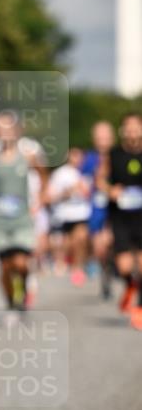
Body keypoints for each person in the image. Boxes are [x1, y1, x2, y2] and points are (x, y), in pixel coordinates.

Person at [0, 112, 47, 315]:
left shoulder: (29, 154)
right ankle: (10, 300)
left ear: (18, 130)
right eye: (0, 128)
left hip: (22, 218)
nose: (5, 132)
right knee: (6, 266)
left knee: (22, 263)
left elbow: (44, 177)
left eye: (9, 128)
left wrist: (40, 201)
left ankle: (22, 291)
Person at [97, 111, 142, 330]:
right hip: (121, 217)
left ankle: (139, 309)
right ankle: (130, 285)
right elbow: (100, 180)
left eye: (137, 127)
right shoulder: (113, 155)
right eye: (129, 127)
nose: (133, 131)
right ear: (123, 131)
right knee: (124, 266)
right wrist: (109, 190)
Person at [46, 148, 92, 286]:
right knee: (67, 243)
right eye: (74, 156)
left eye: (80, 156)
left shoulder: (86, 173)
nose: (77, 159)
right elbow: (50, 196)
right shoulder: (60, 174)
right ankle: (64, 262)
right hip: (64, 214)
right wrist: (67, 193)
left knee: (81, 239)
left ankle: (78, 268)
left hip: (81, 213)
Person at [81, 121, 115, 297]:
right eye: (99, 136)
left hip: (116, 207)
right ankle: (106, 271)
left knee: (111, 240)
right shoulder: (88, 158)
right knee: (100, 247)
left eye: (106, 136)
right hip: (96, 207)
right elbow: (81, 181)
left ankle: (114, 267)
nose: (103, 140)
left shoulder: (119, 155)